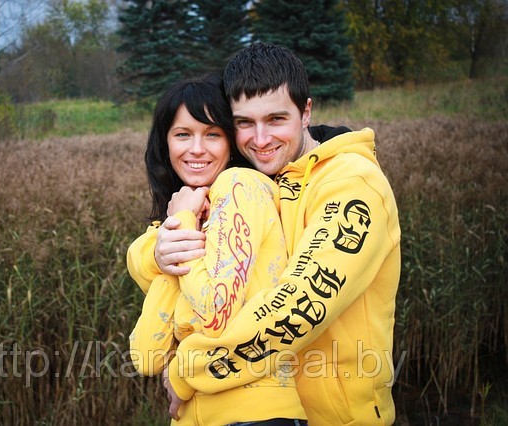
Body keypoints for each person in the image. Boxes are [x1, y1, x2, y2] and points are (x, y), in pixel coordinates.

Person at [129, 43, 402, 425]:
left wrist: (187, 372)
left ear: (305, 112)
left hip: (335, 417)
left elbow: (298, 308)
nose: (259, 139)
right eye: (244, 123)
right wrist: (155, 253)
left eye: (276, 119)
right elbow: (181, 266)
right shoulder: (258, 178)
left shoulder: (352, 186)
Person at [127, 73, 307, 425]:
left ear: (231, 142)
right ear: (165, 143)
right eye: (183, 134)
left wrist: (182, 225)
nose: (197, 148)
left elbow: (213, 314)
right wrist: (176, 233)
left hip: (257, 416)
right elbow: (146, 356)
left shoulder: (240, 186)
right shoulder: (189, 217)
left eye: (212, 134)